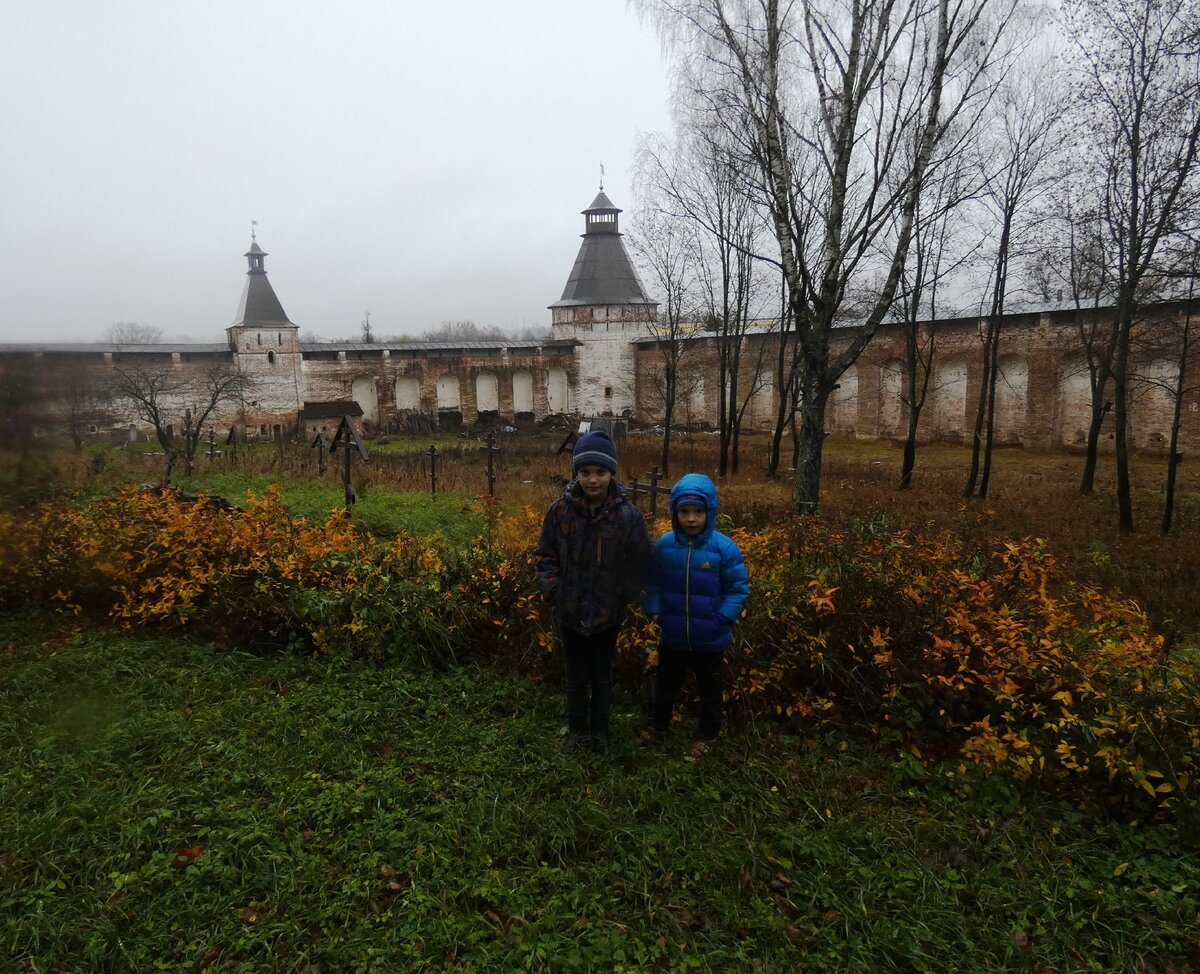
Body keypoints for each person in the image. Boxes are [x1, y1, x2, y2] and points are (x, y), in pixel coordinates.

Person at [535, 430, 651, 755]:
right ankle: (576, 730)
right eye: (585, 472)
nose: (592, 480)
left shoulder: (627, 516)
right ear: (576, 473)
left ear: (611, 472)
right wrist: (555, 592)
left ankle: (599, 731)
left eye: (600, 472)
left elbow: (639, 561)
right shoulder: (560, 512)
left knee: (601, 675)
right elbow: (545, 556)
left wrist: (621, 595)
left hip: (606, 615)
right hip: (569, 611)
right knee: (574, 677)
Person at [642, 472, 748, 754]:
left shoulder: (723, 548)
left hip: (710, 639)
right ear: (675, 512)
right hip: (673, 635)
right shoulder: (665, 546)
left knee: (710, 690)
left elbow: (737, 587)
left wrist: (723, 617)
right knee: (665, 685)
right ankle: (658, 727)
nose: (691, 519)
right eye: (684, 512)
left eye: (698, 512)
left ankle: (707, 736)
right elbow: (654, 582)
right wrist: (654, 610)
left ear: (709, 512)